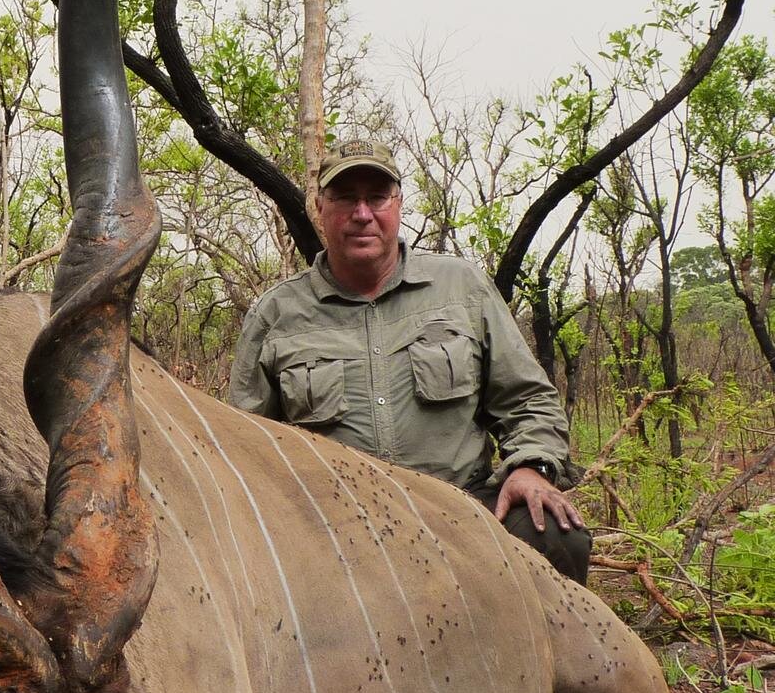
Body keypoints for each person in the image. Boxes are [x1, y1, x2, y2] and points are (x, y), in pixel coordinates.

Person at [228, 139, 592, 584]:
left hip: (461, 507)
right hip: (332, 526)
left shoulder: (461, 288)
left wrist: (529, 468)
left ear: (398, 203)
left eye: (376, 197)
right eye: (345, 198)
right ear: (319, 208)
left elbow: (528, 400)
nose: (362, 214)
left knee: (555, 533)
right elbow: (242, 448)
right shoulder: (277, 314)